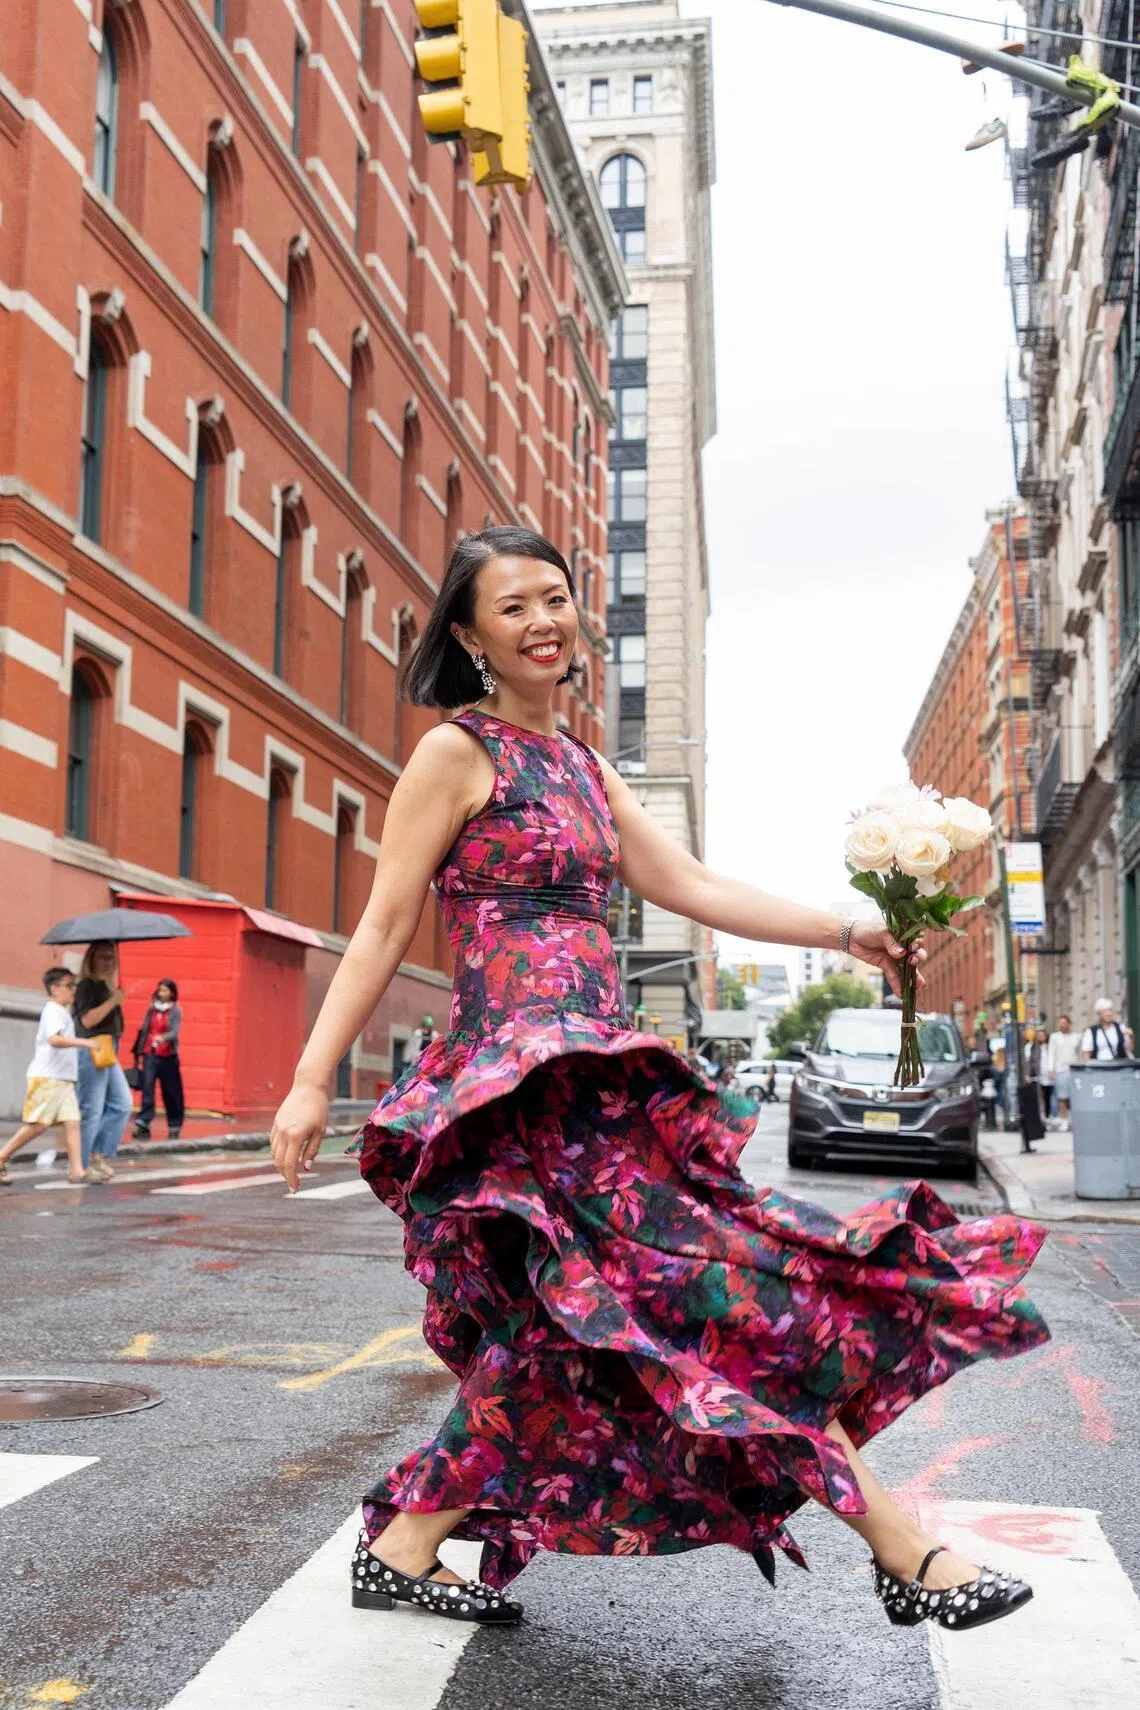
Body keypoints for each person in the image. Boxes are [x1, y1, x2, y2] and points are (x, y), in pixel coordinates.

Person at [270, 527, 1046, 1637]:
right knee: (710, 1300)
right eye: (512, 607)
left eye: (557, 598)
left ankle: (405, 1544)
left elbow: (687, 881)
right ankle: (905, 1549)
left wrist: (848, 931)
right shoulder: (455, 753)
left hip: (603, 1081)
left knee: (565, 1335)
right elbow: (387, 919)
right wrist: (310, 1081)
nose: (544, 621)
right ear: (468, 634)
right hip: (519, 1094)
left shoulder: (584, 767)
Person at [0, 969, 100, 1186]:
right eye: (69, 985)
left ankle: (77, 1171)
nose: (74, 990)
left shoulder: (61, 1011)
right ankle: (0, 1158)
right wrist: (85, 1042)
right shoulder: (53, 1010)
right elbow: (54, 1040)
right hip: (48, 1078)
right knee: (37, 1126)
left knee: (72, 1122)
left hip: (62, 1079)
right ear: (55, 989)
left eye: (74, 985)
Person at [73, 940, 133, 1181]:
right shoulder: (87, 986)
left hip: (108, 1048)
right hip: (92, 1048)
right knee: (91, 1110)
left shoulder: (106, 986)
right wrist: (114, 1002)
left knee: (122, 1104)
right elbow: (87, 1020)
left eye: (111, 957)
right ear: (92, 959)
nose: (109, 962)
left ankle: (96, 1153)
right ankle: (82, 1165)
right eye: (103, 957)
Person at [131, 979, 185, 1141]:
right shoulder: (152, 1009)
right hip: (150, 1054)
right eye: (160, 990)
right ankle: (143, 1123)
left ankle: (174, 1125)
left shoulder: (175, 1011)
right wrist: (139, 1049)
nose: (162, 994)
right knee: (147, 1088)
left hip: (168, 1056)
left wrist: (162, 1038)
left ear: (172, 993)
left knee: (171, 1091)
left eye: (165, 991)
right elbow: (145, 1028)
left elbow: (174, 1032)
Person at [1047, 1015, 1080, 1126]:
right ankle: (1063, 1118)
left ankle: (1073, 1118)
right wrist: (1051, 1069)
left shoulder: (1076, 1037)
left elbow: (1080, 1053)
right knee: (1062, 1096)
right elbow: (1051, 1053)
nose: (1061, 1025)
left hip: (1073, 1069)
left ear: (1069, 1024)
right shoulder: (1054, 1037)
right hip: (1060, 1069)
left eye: (1064, 1023)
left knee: (1074, 1095)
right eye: (1060, 1023)